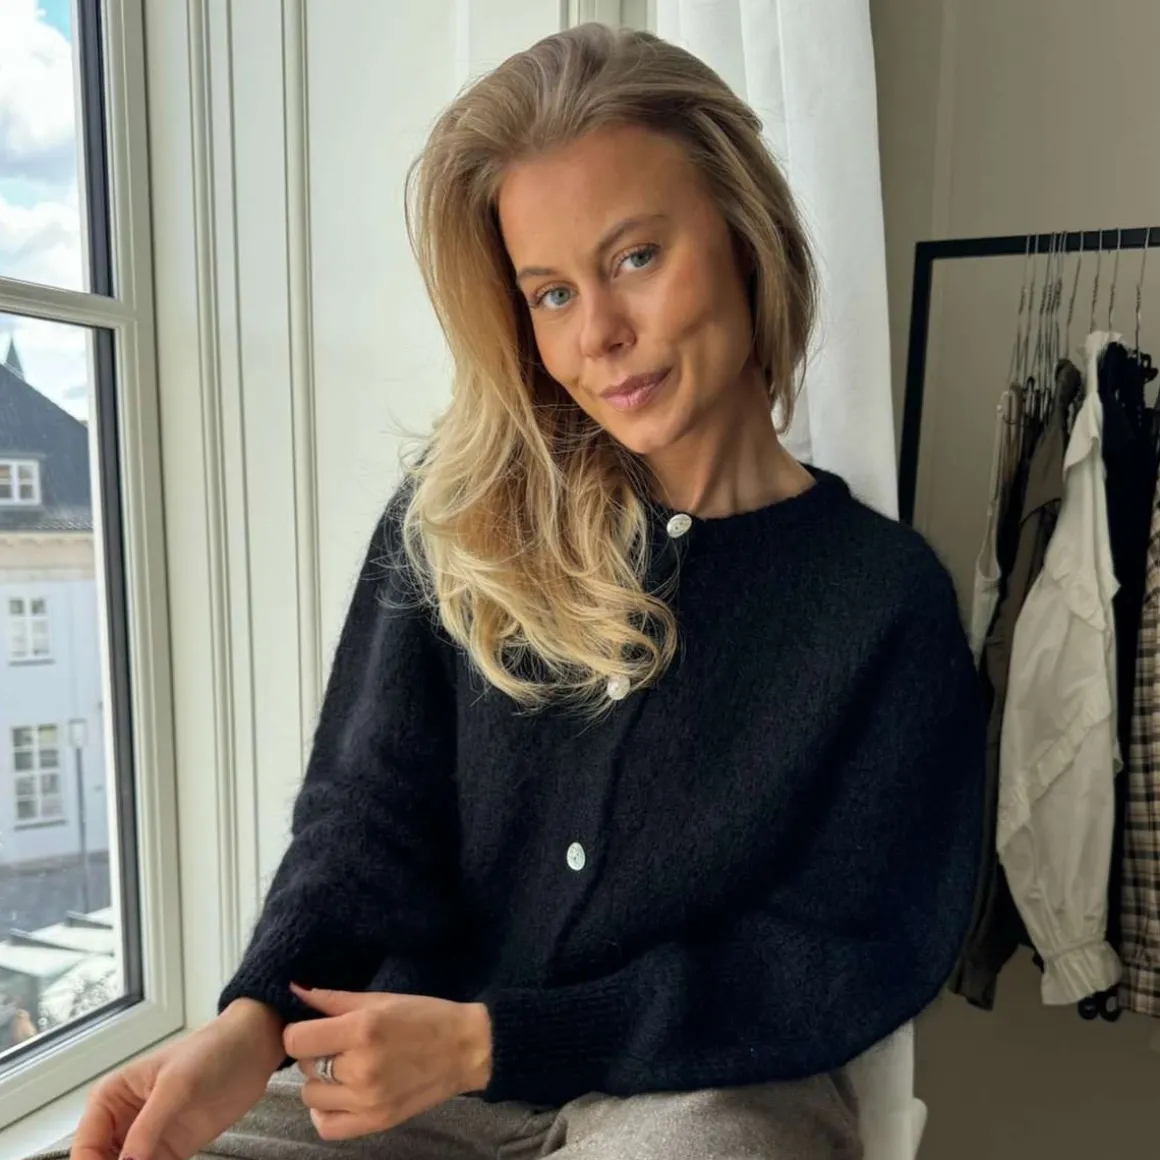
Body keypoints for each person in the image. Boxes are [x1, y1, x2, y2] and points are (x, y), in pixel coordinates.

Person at [67, 22, 984, 1160]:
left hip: (697, 1097)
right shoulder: (456, 521)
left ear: (745, 238)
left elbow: (846, 951)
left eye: (635, 258)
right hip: (405, 1077)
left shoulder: (882, 603)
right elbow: (363, 819)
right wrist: (254, 1020)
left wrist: (494, 1040)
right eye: (549, 293)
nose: (598, 334)